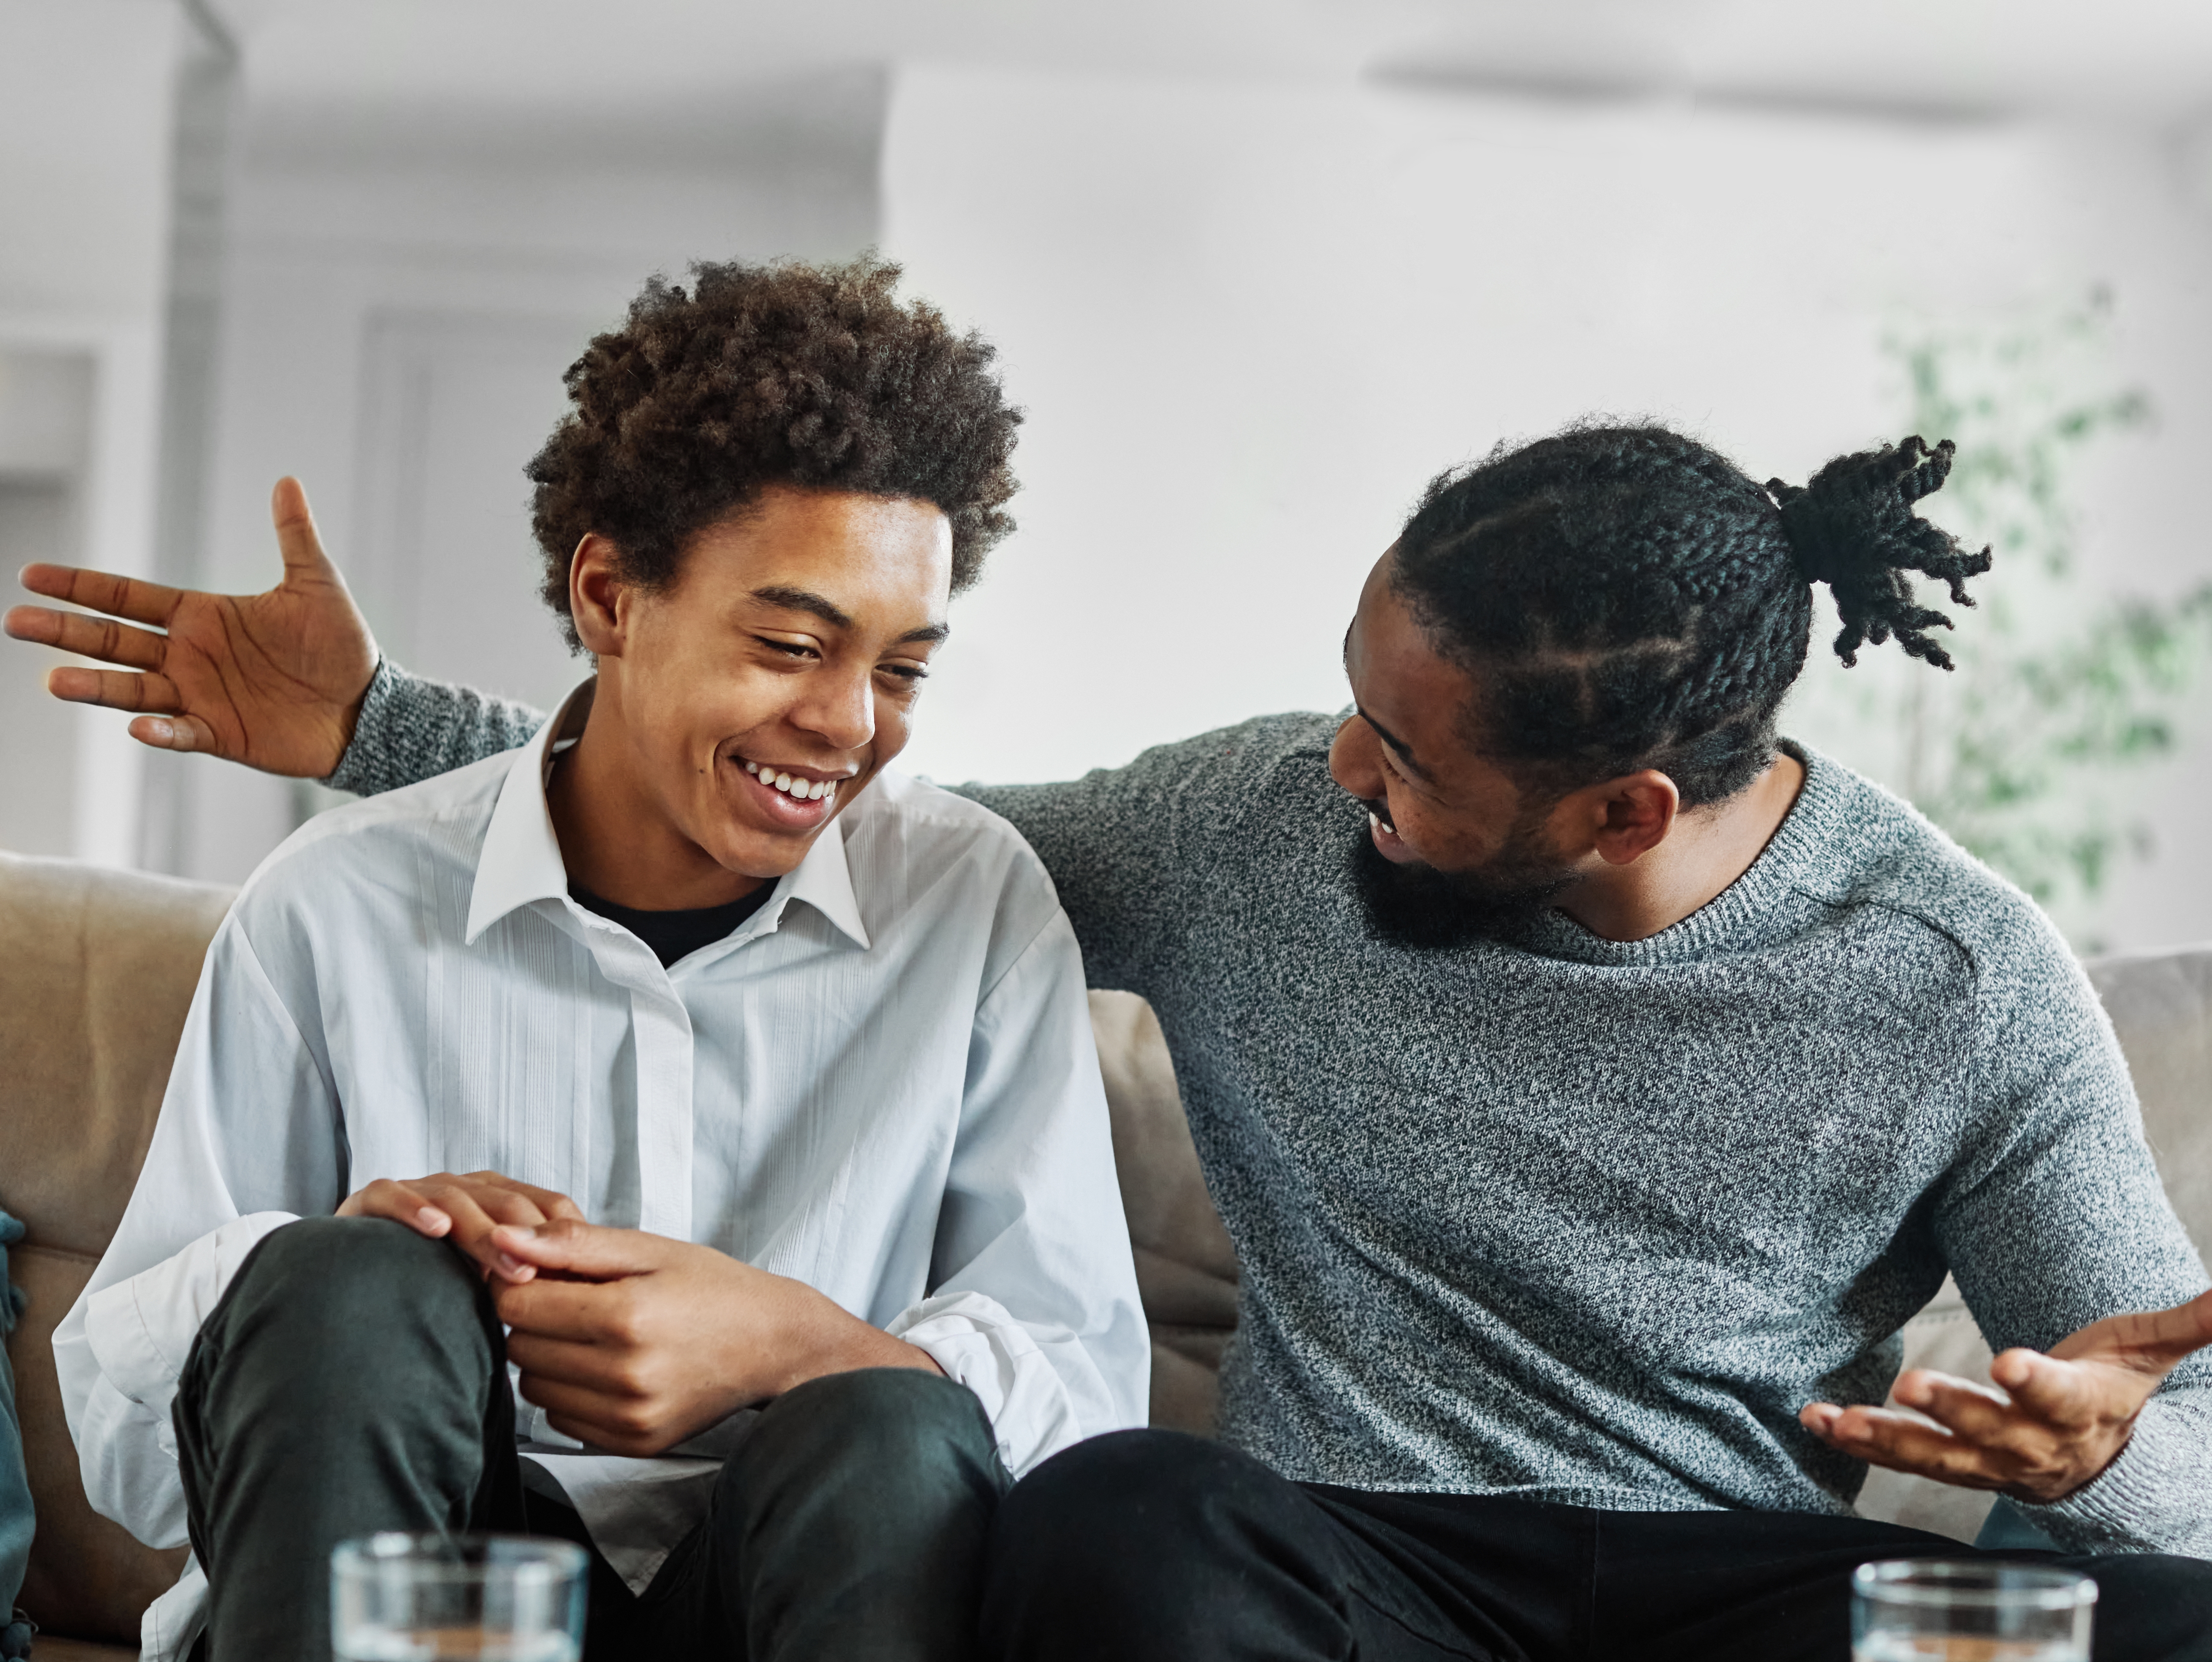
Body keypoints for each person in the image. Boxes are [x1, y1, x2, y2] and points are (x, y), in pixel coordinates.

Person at [14, 421, 2212, 1658]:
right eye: (1352, 683)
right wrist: (380, 732)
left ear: (1619, 808)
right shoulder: (1256, 823)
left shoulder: (1960, 973)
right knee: (1129, 1523)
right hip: (1342, 1562)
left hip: (1732, 1578)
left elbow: (2151, 1404)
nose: (1333, 762)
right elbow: (837, 802)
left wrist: (2106, 1448)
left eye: (1405, 756)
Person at [35, 256, 1150, 1662]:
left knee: (885, 1420)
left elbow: (1086, 1405)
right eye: (792, 643)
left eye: (903, 667)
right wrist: (344, 1267)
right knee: (346, 1286)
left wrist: (787, 1339)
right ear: (613, 598)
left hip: (785, 1592)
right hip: (417, 1601)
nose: (849, 721)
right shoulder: (339, 899)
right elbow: (131, 1464)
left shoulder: (972, 901)